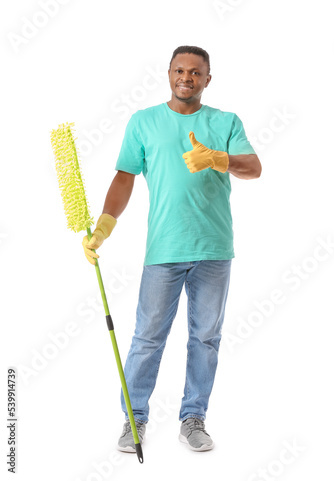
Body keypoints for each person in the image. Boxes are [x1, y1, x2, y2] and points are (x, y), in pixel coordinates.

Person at [83, 45, 262, 452]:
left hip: (214, 249)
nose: (187, 78)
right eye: (180, 70)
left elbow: (254, 167)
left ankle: (193, 419)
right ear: (168, 74)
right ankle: (135, 420)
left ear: (207, 79)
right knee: (147, 337)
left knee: (205, 338)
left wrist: (217, 158)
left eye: (196, 72)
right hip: (163, 249)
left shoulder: (225, 121)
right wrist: (103, 228)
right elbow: (124, 178)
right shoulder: (144, 122)